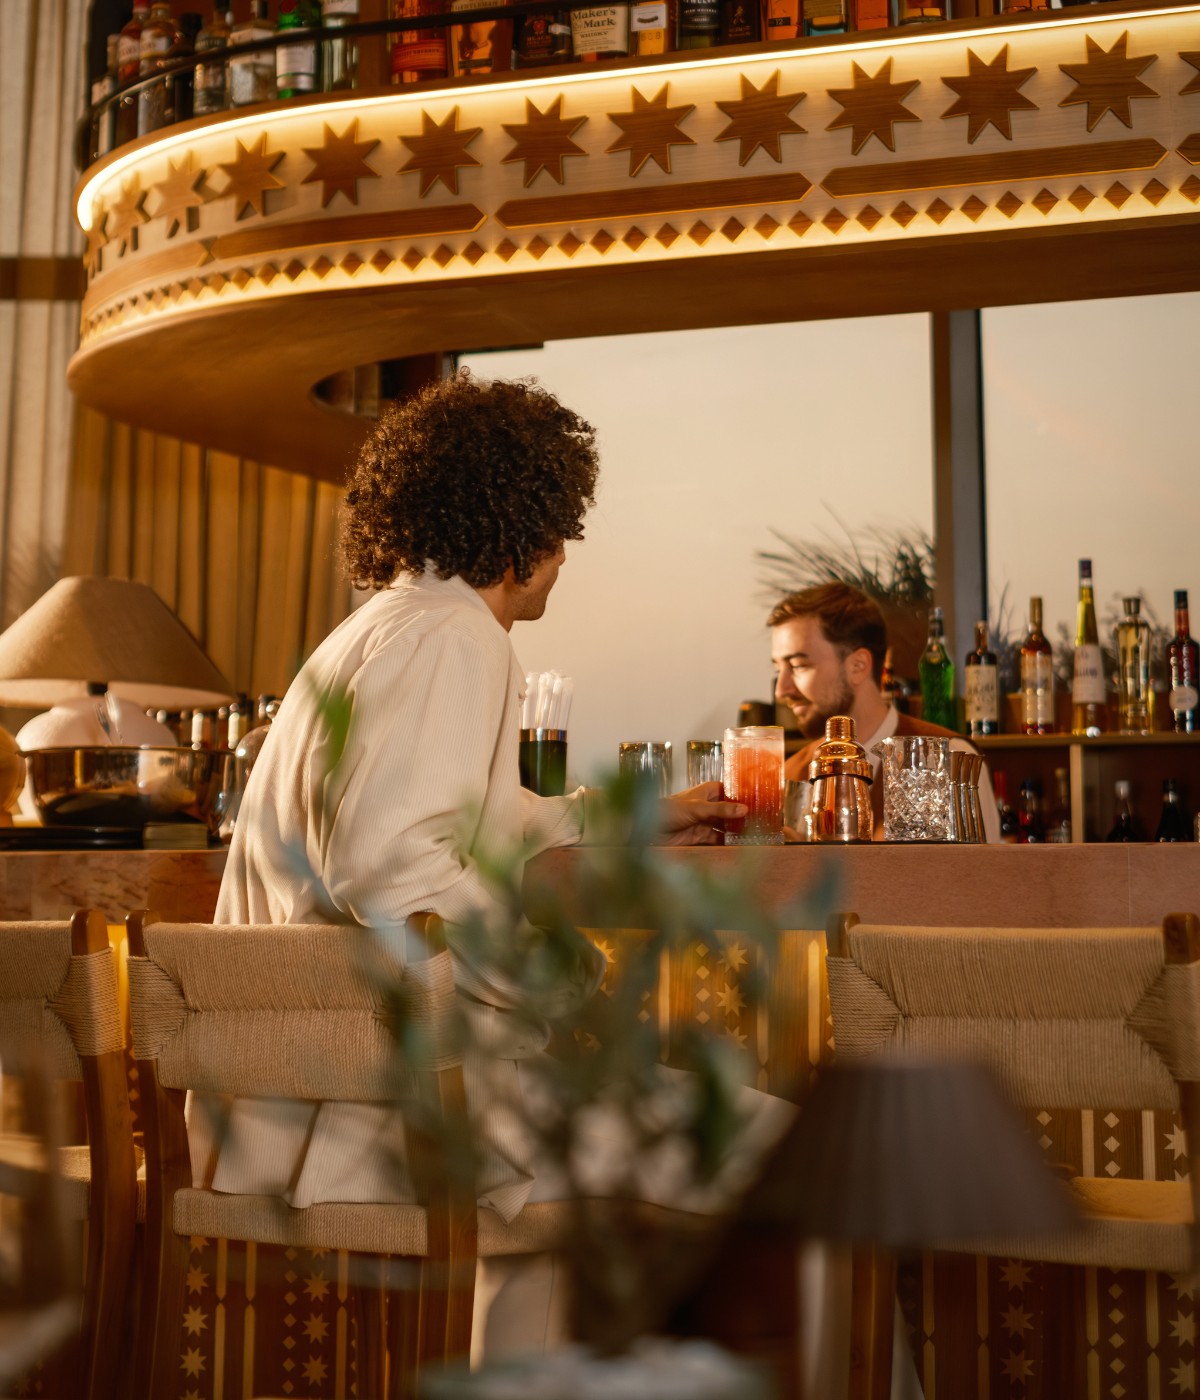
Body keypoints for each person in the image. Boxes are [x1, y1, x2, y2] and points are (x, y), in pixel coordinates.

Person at [194, 371, 762, 1358]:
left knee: (568, 1211)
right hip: (375, 1121)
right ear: (524, 521)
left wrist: (620, 815)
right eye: (562, 524)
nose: (565, 554)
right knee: (788, 1144)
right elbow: (394, 876)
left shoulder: (372, 635)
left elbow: (462, 818)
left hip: (288, 1106)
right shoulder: (458, 637)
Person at [769, 582, 1000, 842]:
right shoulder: (790, 774)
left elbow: (989, 876)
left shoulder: (952, 760)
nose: (781, 690)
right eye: (778, 669)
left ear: (858, 666)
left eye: (798, 665)